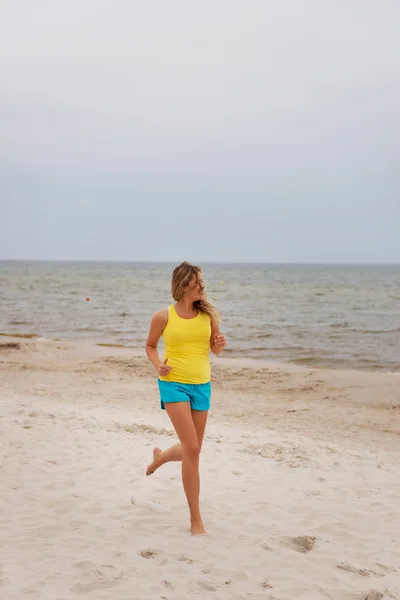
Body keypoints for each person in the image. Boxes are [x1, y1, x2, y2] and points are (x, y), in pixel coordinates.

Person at [145, 261, 226, 535]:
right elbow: (150, 346)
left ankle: (161, 458)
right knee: (192, 449)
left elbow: (215, 351)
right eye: (197, 283)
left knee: (193, 449)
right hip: (173, 385)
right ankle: (195, 520)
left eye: (202, 281)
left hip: (201, 385)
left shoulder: (209, 315)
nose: (202, 286)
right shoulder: (163, 317)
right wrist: (158, 366)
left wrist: (219, 345)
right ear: (183, 286)